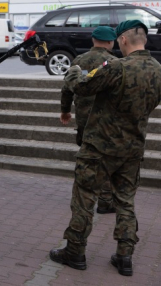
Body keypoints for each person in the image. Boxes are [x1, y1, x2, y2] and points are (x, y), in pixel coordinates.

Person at [49, 20, 161, 277]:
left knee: (84, 199)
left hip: (99, 148)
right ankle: (124, 256)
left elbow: (81, 87)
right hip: (132, 149)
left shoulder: (116, 67)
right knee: (125, 202)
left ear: (122, 40)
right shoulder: (158, 70)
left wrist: (75, 70)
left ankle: (75, 252)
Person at [59, 26, 118, 213]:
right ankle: (106, 201)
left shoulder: (78, 61)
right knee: (106, 160)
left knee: (87, 159)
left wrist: (65, 111)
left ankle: (84, 199)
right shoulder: (115, 63)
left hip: (85, 121)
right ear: (110, 42)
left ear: (93, 41)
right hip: (107, 123)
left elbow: (67, 88)